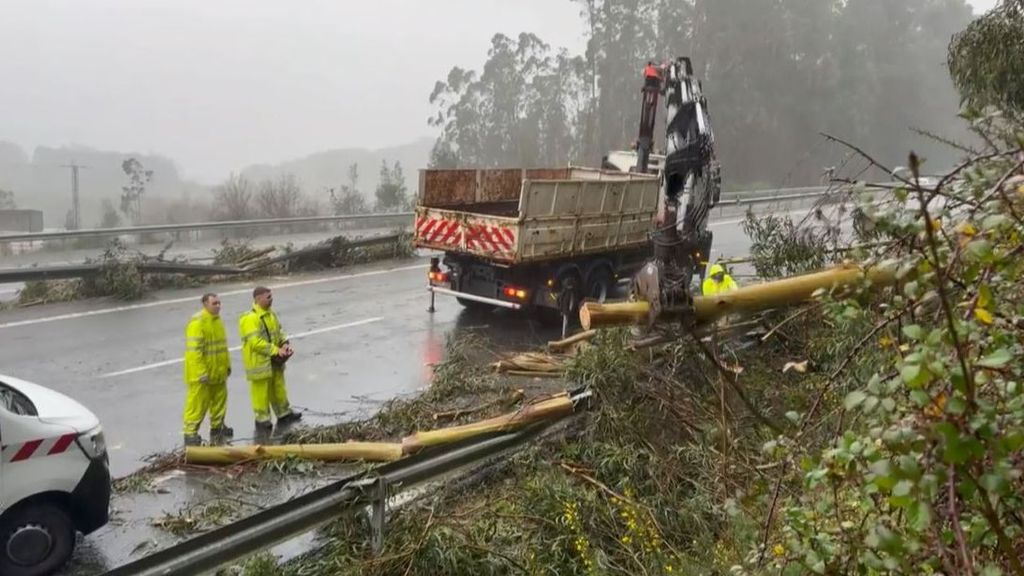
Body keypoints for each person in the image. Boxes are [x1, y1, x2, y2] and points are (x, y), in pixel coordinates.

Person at [239, 286, 300, 431]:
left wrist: (284, 344)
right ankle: (262, 419)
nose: (271, 299)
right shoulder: (250, 318)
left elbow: (279, 331)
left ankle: (284, 413)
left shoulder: (270, 314)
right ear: (258, 299)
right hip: (259, 363)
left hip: (273, 360)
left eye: (271, 296)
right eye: (268, 297)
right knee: (261, 392)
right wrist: (275, 350)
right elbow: (255, 343)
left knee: (278, 388)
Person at [182, 293, 232, 446]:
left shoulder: (217, 321)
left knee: (219, 401)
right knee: (197, 404)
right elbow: (194, 352)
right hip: (202, 375)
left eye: (219, 303)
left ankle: (217, 427)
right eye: (214, 303)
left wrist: (227, 366)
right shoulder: (198, 323)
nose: (218, 306)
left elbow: (222, 348)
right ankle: (190, 433)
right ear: (205, 304)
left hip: (217, 371)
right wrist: (200, 372)